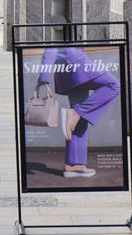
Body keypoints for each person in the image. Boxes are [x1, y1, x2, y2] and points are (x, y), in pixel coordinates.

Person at [36, 47, 120, 177]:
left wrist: (45, 75)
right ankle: (76, 112)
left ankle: (74, 165)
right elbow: (52, 45)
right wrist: (44, 76)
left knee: (76, 120)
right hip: (76, 62)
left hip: (69, 70)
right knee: (113, 86)